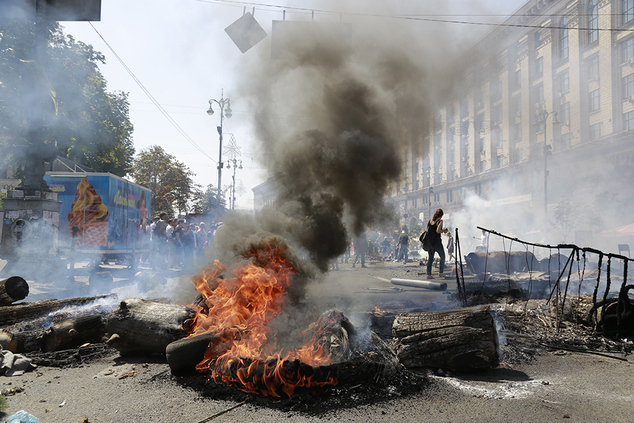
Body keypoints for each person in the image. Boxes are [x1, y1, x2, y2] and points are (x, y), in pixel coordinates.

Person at [426, 208, 449, 279]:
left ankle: (428, 275)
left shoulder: (430, 220)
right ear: (441, 215)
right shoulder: (440, 221)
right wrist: (444, 230)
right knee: (443, 256)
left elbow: (428, 229)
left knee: (430, 259)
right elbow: (438, 231)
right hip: (437, 242)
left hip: (430, 242)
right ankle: (441, 273)